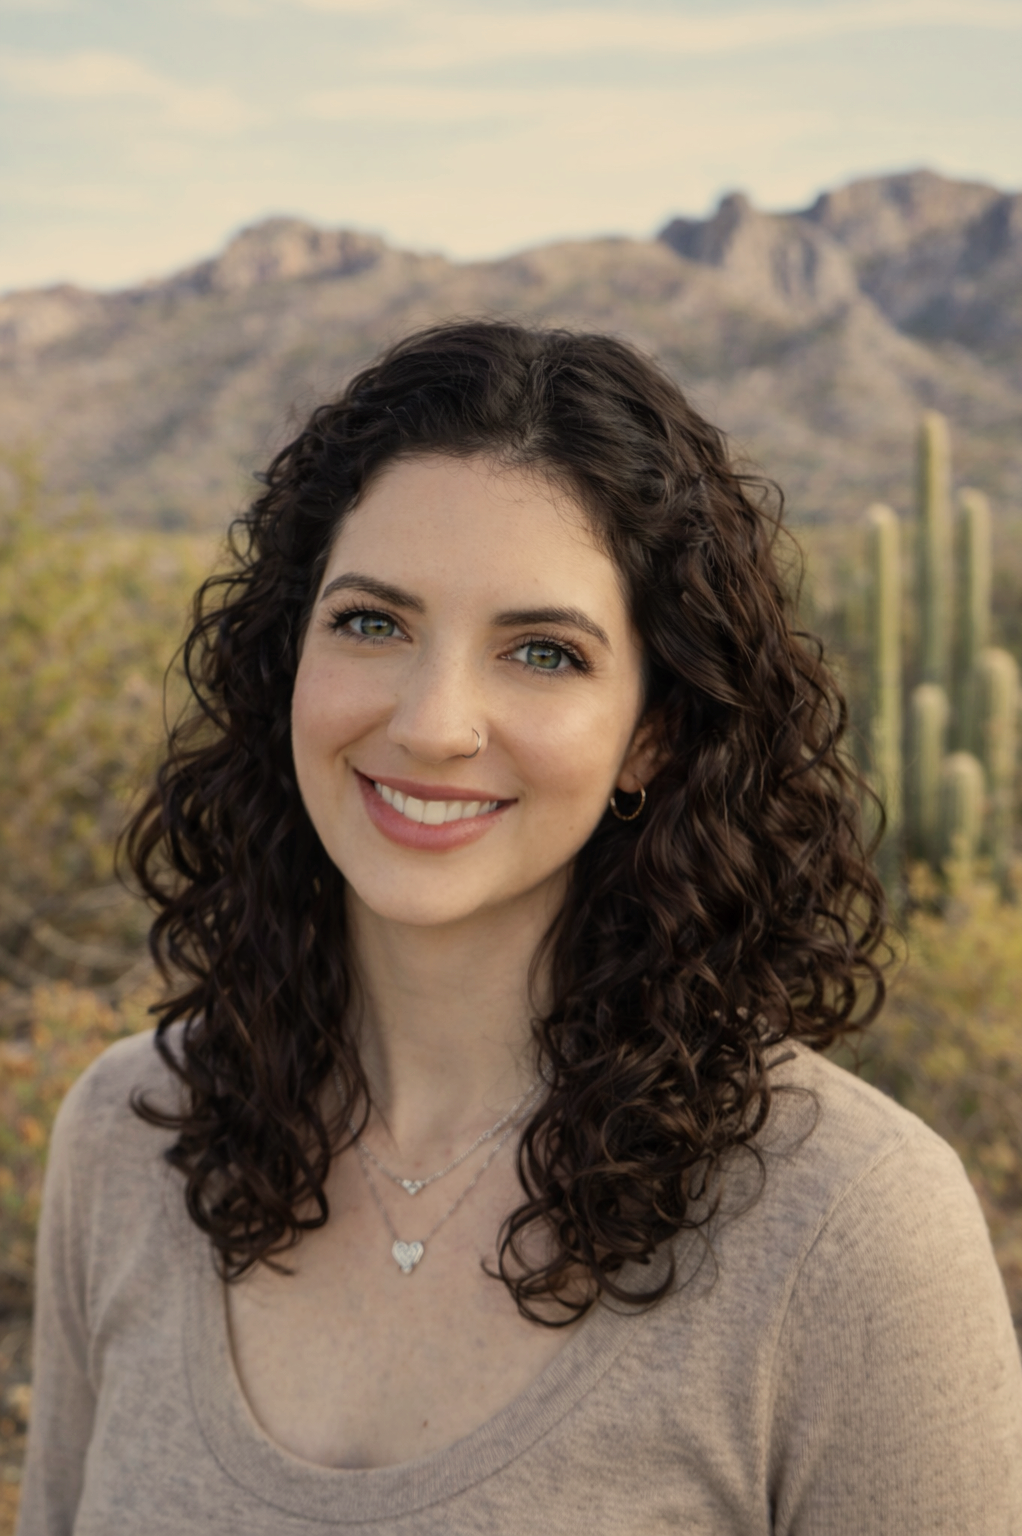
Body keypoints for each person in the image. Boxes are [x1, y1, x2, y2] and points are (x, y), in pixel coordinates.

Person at [17, 321, 1022, 1535]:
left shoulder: (848, 1229)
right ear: (290, 657)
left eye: (542, 652)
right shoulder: (130, 1142)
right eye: (372, 623)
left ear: (649, 731)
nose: (435, 723)